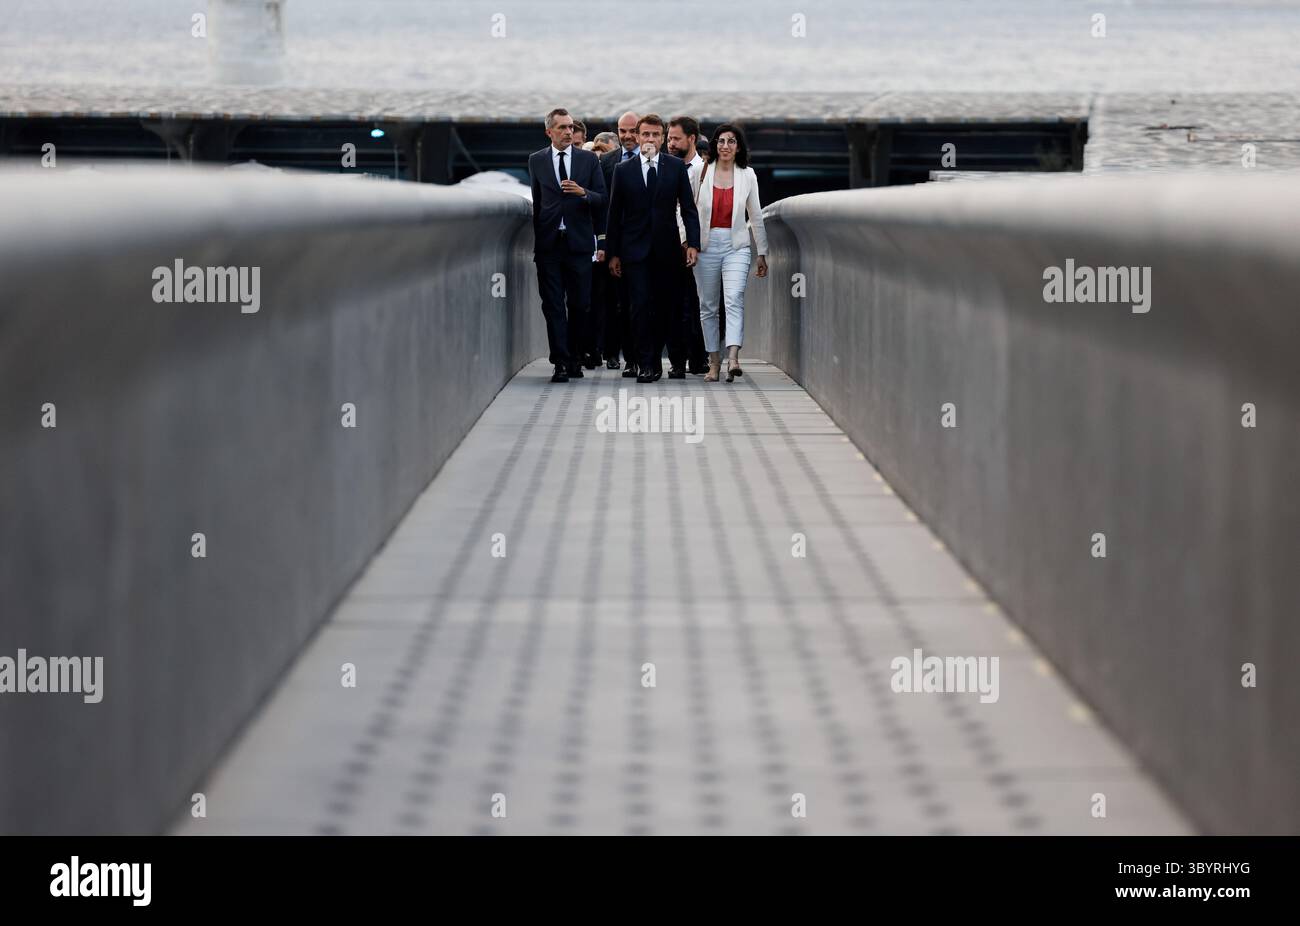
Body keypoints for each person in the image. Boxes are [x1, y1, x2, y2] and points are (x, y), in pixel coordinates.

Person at [606, 114, 700, 383]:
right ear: (637, 136)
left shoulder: (675, 167)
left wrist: (692, 243)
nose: (650, 139)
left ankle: (664, 360)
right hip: (634, 251)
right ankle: (647, 363)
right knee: (638, 306)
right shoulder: (623, 171)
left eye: (655, 134)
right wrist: (613, 253)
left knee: (666, 306)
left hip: (667, 250)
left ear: (662, 137)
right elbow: (614, 214)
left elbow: (689, 210)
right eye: (645, 134)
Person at [528, 107, 606, 383]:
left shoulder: (587, 161)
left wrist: (584, 193)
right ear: (549, 131)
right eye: (562, 127)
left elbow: (602, 198)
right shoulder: (536, 160)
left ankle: (575, 358)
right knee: (552, 306)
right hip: (550, 244)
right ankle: (560, 362)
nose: (568, 132)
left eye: (570, 127)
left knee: (580, 304)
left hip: (579, 244)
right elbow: (538, 203)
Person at [692, 122, 767, 382]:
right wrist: (686, 242)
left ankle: (733, 357)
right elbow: (684, 211)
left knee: (734, 298)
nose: (725, 146)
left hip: (736, 245)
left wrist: (762, 252)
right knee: (709, 306)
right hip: (705, 244)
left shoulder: (748, 175)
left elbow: (755, 215)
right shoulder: (701, 172)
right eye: (721, 141)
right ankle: (714, 362)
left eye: (731, 142)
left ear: (738, 147)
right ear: (714, 145)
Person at [599, 111, 642, 376]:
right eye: (622, 130)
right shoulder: (605, 162)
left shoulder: (657, 161)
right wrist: (609, 248)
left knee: (644, 303)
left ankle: (644, 357)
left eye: (632, 130)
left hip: (647, 244)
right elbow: (605, 209)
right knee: (622, 305)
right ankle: (630, 359)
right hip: (618, 245)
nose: (626, 136)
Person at [667, 115, 709, 376]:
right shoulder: (664, 167)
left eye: (675, 138)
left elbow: (698, 210)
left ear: (691, 139)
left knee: (699, 304)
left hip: (696, 245)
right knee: (673, 304)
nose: (670, 143)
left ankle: (699, 357)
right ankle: (677, 361)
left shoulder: (706, 170)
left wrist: (690, 241)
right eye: (669, 138)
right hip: (670, 245)